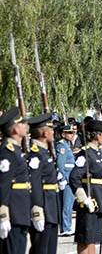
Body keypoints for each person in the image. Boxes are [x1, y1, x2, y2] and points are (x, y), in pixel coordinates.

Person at [69, 120, 102, 254]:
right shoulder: (85, 154)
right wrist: (84, 199)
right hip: (89, 200)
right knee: (85, 240)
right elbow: (74, 177)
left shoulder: (97, 153)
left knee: (92, 239)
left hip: (99, 199)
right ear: (97, 135)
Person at [0, 108, 31, 254]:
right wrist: (3, 214)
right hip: (13, 212)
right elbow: (3, 184)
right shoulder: (7, 151)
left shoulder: (17, 150)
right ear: (14, 129)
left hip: (20, 211)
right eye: (22, 123)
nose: (26, 126)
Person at [28, 113, 60, 254]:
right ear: (43, 132)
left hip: (51, 204)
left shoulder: (44, 152)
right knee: (41, 248)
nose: (53, 132)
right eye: (50, 129)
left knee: (50, 248)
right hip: (44, 206)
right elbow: (34, 182)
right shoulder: (35, 153)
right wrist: (37, 209)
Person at [56, 124, 76, 236]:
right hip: (67, 179)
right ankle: (66, 227)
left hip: (69, 177)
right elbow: (60, 163)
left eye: (72, 132)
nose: (72, 134)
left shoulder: (67, 145)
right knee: (67, 204)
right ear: (63, 134)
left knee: (68, 203)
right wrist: (62, 178)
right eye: (69, 133)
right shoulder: (62, 146)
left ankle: (65, 227)